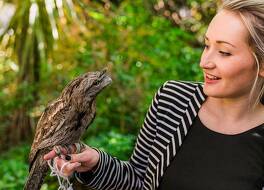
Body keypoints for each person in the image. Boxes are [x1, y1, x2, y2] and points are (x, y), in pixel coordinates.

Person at [44, 0, 264, 189]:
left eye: (224, 52)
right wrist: (96, 163)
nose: (204, 62)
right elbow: (139, 180)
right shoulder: (172, 101)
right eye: (206, 46)